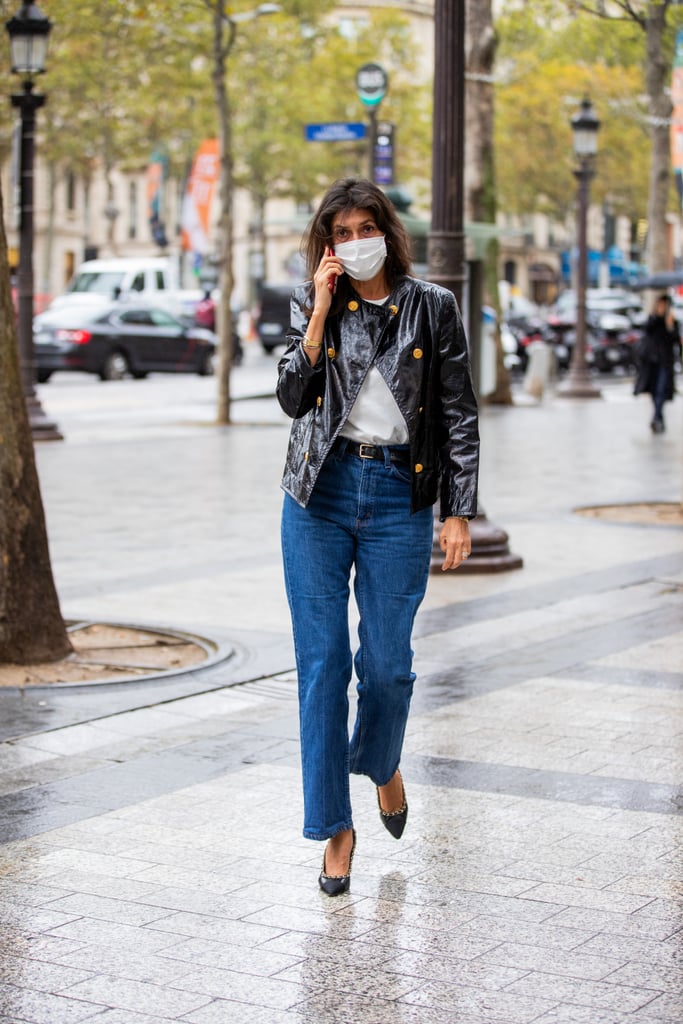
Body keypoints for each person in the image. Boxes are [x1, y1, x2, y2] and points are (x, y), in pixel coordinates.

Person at [276, 178, 480, 896]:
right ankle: (335, 829)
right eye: (340, 232)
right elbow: (291, 398)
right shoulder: (312, 302)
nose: (353, 241)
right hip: (317, 496)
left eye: (365, 227)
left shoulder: (432, 307)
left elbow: (456, 410)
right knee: (323, 667)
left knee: (388, 667)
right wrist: (318, 317)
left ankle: (381, 761)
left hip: (398, 495)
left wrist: (459, 509)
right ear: (327, 244)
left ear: (386, 233)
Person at [634, 294, 681, 433]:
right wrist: (657, 317)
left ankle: (656, 418)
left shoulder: (672, 321)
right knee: (654, 390)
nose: (662, 307)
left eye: (664, 305)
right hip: (651, 361)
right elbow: (647, 331)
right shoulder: (652, 319)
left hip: (665, 361)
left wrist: (670, 326)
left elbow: (675, 340)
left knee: (661, 389)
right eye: (660, 304)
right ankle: (658, 417)